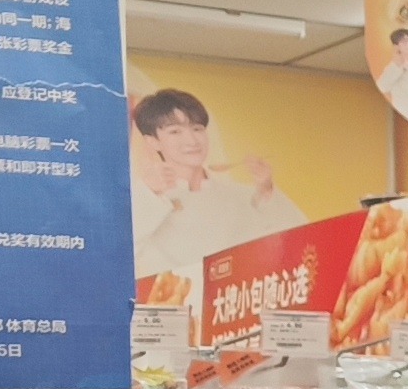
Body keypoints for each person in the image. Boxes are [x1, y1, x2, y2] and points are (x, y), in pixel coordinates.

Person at [129, 86, 302, 313]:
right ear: (153, 141)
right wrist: (151, 194)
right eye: (175, 132)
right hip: (171, 318)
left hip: (235, 313)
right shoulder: (140, 198)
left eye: (197, 128)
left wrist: (267, 190)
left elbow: (294, 241)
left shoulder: (242, 196)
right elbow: (120, 251)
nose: (192, 140)